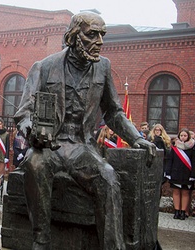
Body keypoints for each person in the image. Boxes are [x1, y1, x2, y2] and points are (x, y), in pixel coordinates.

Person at [14, 12, 156, 250]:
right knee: (35, 164)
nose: (99, 41)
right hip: (50, 145)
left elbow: (114, 112)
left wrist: (137, 138)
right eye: (92, 34)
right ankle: (41, 240)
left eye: (102, 34)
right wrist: (32, 131)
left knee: (109, 179)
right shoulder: (45, 66)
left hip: (82, 148)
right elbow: (24, 112)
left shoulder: (104, 67)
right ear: (73, 36)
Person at [165, 128, 195, 220]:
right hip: (176, 173)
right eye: (181, 135)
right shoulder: (174, 148)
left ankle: (183, 212)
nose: (183, 137)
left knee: (185, 193)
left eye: (185, 135)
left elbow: (194, 162)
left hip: (187, 174)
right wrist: (168, 172)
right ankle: (177, 211)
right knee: (176, 192)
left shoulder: (192, 148)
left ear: (188, 136)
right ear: (179, 136)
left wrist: (193, 175)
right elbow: (170, 160)